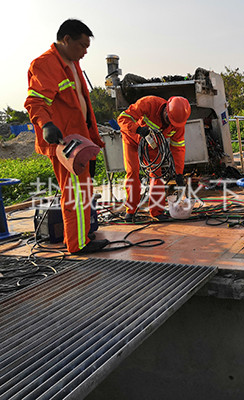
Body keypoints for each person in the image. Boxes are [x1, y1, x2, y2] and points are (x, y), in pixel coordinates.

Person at [24, 19, 108, 254]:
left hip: (81, 140)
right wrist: (46, 125)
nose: (85, 52)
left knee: (84, 193)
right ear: (66, 39)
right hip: (65, 143)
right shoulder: (45, 65)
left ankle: (82, 237)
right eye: (82, 46)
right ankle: (77, 244)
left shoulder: (72, 63)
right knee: (73, 194)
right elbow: (36, 101)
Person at [117, 95, 191, 222]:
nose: (169, 124)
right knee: (132, 173)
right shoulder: (149, 103)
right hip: (131, 140)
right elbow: (122, 119)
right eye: (169, 120)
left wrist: (179, 173)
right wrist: (138, 129)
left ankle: (157, 212)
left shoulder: (178, 124)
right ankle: (131, 210)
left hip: (152, 146)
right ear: (166, 109)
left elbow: (178, 148)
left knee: (156, 176)